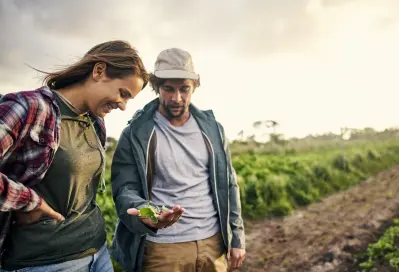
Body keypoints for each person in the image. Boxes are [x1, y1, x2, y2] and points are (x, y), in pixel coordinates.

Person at [0, 40, 149, 271]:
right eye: (123, 93)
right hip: (44, 263)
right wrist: (28, 201)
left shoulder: (95, 121)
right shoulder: (29, 107)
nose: (123, 106)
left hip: (98, 253)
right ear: (99, 71)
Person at [110, 48, 246, 272]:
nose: (176, 98)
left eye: (184, 89)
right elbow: (125, 189)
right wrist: (146, 212)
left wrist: (237, 237)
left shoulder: (213, 129)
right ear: (156, 86)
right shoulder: (136, 133)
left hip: (213, 243)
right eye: (168, 89)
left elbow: (229, 184)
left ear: (195, 86)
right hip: (162, 249)